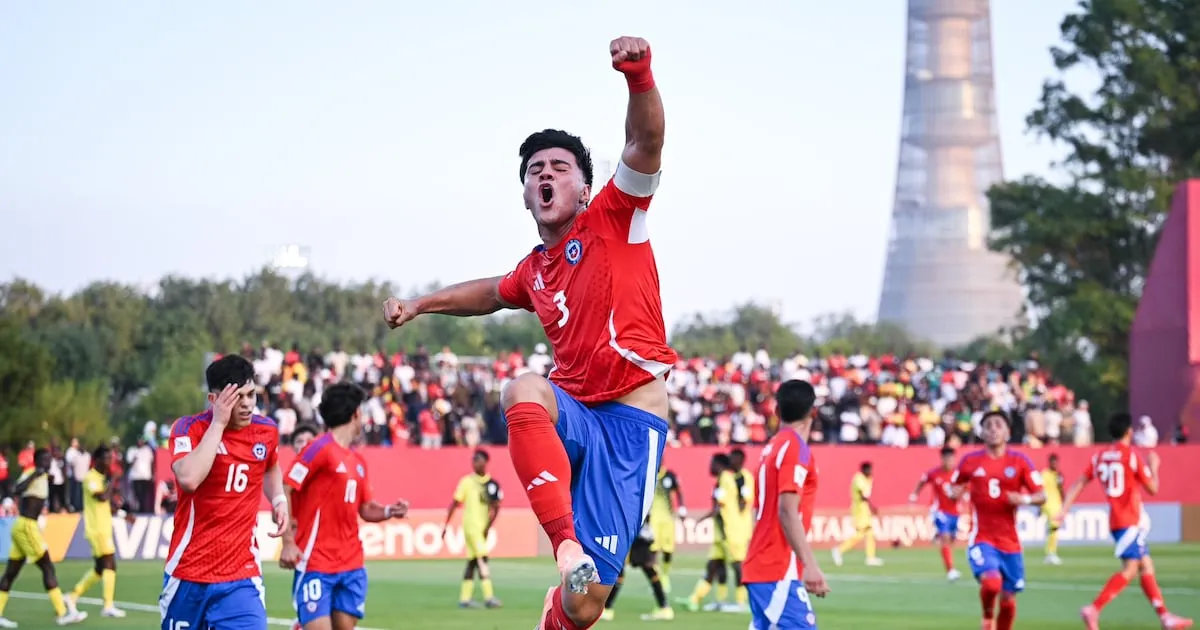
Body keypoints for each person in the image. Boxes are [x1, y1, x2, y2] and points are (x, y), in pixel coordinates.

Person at [382, 35, 670, 630]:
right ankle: (565, 545)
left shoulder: (615, 215)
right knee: (523, 388)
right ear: (524, 194)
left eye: (560, 168)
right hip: (572, 411)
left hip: (630, 425)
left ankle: (560, 606)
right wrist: (420, 304)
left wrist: (638, 75)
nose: (546, 174)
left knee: (585, 609)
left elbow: (645, 141)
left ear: (585, 187)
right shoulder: (534, 270)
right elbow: (489, 293)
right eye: (535, 170)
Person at [159, 355, 289, 630]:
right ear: (213, 399)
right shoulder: (188, 428)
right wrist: (218, 424)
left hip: (241, 577)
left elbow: (271, 467)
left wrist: (278, 499)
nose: (246, 404)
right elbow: (189, 479)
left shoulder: (266, 431)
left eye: (251, 395)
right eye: (236, 397)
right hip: (188, 574)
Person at [279, 382, 409, 630]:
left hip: (351, 563)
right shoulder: (318, 448)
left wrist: (389, 511)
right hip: (316, 562)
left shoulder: (357, 461)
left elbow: (365, 508)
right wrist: (288, 541)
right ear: (356, 414)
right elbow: (286, 486)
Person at [1059, 413, 1193, 630]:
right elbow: (1153, 489)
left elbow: (1080, 482)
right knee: (1131, 569)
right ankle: (1094, 608)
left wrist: (1064, 509)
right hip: (1130, 519)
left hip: (1117, 520)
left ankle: (1165, 617)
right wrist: (1154, 466)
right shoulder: (1131, 456)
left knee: (1145, 565)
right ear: (1129, 431)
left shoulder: (1099, 457)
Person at [743, 380, 829, 630]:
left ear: (777, 411)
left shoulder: (771, 448)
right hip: (776, 568)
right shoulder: (795, 449)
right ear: (813, 412)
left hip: (764, 564)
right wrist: (811, 566)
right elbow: (787, 510)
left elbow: (759, 510)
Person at [949, 410, 1044, 630]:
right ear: (981, 433)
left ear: (1008, 432)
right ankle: (987, 619)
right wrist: (955, 492)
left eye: (998, 424)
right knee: (992, 583)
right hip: (982, 537)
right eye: (988, 425)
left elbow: (1042, 496)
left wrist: (1024, 498)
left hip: (1010, 542)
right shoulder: (970, 461)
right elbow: (953, 485)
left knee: (1009, 601)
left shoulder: (1020, 461)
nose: (993, 428)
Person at [0, 448, 89, 627]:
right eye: (45, 460)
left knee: (11, 573)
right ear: (38, 461)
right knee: (48, 567)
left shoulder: (45, 476)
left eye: (50, 459)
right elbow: (16, 489)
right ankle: (62, 613)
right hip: (27, 526)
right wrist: (36, 474)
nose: (49, 463)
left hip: (24, 526)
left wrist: (45, 477)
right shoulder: (31, 473)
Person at [65, 446, 127, 618]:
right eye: (106, 458)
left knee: (100, 569)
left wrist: (123, 514)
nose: (109, 461)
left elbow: (106, 504)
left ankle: (72, 597)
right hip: (97, 529)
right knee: (110, 564)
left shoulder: (101, 478)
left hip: (103, 527)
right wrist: (113, 479)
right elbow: (101, 497)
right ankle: (107, 606)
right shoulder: (90, 478)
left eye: (110, 458)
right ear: (97, 460)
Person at [442, 449, 503, 609]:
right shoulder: (466, 481)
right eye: (473, 459)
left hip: (481, 528)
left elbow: (496, 507)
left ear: (485, 462)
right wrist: (446, 524)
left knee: (472, 562)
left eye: (478, 459)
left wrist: (488, 527)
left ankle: (464, 598)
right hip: (471, 527)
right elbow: (455, 504)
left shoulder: (492, 484)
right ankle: (489, 597)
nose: (474, 462)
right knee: (482, 559)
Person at [681, 453, 739, 612]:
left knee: (737, 566)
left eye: (712, 463)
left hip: (730, 531)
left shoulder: (726, 480)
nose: (710, 467)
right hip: (721, 533)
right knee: (714, 566)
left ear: (719, 464)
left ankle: (743, 602)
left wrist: (701, 519)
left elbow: (719, 507)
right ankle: (698, 599)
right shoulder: (721, 480)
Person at [598, 518, 673, 622]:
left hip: (638, 533)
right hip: (638, 532)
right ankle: (664, 607)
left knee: (640, 568)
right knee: (642, 569)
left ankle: (607, 609)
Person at [908, 446, 962, 581]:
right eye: (947, 459)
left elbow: (966, 487)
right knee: (945, 538)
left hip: (955, 512)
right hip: (939, 511)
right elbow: (922, 481)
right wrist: (915, 494)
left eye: (951, 459)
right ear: (942, 459)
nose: (949, 461)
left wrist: (959, 493)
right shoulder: (934, 473)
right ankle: (950, 570)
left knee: (951, 539)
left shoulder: (958, 474)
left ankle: (938, 537)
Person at [833, 461, 882, 567]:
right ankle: (839, 550)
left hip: (864, 509)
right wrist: (872, 507)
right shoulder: (858, 479)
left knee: (869, 533)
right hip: (859, 509)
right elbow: (862, 495)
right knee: (860, 534)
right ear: (863, 470)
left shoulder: (868, 479)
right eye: (868, 469)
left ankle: (870, 557)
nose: (870, 471)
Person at [647, 458, 685, 594]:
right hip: (653, 519)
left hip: (668, 518)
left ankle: (665, 575)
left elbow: (679, 491)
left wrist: (682, 508)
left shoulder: (670, 475)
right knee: (653, 550)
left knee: (668, 550)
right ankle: (658, 579)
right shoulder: (648, 473)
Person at [1039, 453, 1065, 565]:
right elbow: (1040, 489)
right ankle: (1051, 554)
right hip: (1048, 504)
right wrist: (1040, 506)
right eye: (1052, 462)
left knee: (1054, 529)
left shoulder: (1058, 475)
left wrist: (1064, 502)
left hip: (1057, 504)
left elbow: (1061, 489)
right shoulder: (1044, 474)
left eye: (1056, 462)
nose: (1054, 464)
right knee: (1054, 527)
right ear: (1049, 462)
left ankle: (1051, 552)